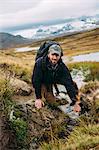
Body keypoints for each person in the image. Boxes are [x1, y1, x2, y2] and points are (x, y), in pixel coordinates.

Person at [32, 43, 81, 113]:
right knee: (52, 104)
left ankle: (76, 101)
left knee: (73, 84)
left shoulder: (62, 67)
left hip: (54, 78)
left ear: (60, 56)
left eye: (57, 55)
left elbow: (69, 83)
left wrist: (75, 102)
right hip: (43, 81)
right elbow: (36, 80)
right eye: (53, 55)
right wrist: (38, 98)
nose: (54, 58)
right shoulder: (40, 63)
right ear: (48, 54)